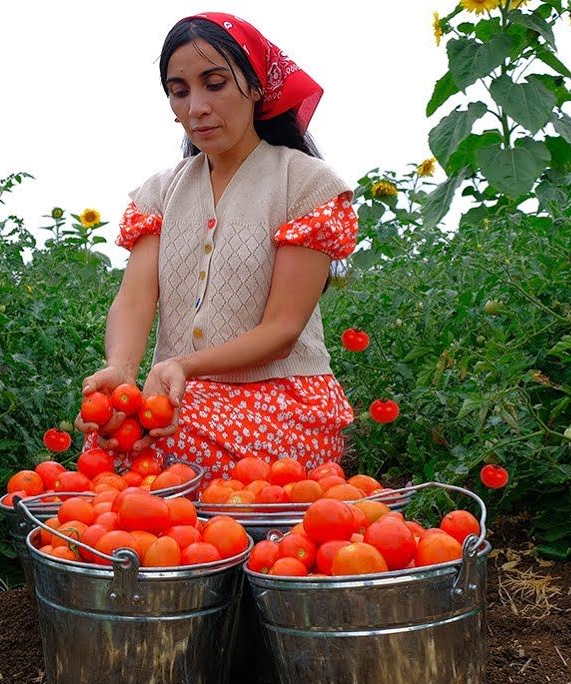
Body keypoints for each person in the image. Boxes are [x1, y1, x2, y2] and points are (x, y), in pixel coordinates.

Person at [75, 12, 358, 480]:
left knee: (166, 453)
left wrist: (183, 366)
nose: (197, 107)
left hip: (283, 400)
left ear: (255, 86)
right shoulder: (160, 194)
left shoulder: (304, 184)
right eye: (180, 90)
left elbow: (283, 328)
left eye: (215, 84)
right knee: (112, 435)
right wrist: (122, 370)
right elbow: (135, 297)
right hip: (179, 394)